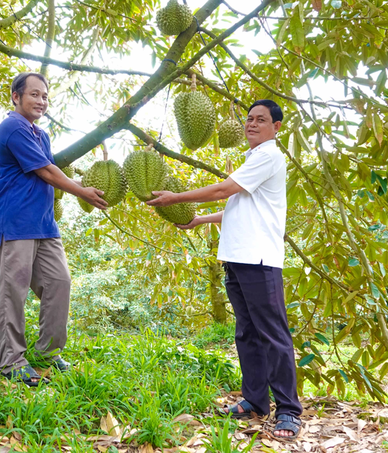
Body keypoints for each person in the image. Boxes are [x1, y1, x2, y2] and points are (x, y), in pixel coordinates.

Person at [146, 100, 302, 439]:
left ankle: (289, 410)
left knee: (273, 334)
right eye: (249, 119)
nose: (251, 124)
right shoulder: (253, 160)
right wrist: (200, 219)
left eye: (261, 120)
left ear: (276, 127)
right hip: (236, 257)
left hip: (259, 258)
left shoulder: (269, 156)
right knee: (247, 332)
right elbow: (237, 204)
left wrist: (175, 198)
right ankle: (255, 401)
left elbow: (222, 190)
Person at [0, 72, 107, 386]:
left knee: (59, 282)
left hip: (44, 224)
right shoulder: (11, 126)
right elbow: (45, 170)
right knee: (13, 290)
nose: (41, 101)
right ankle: (12, 361)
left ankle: (47, 352)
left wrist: (82, 186)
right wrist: (82, 191)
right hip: (14, 222)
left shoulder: (40, 135)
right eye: (34, 95)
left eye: (44, 96)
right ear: (16, 97)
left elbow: (49, 170)